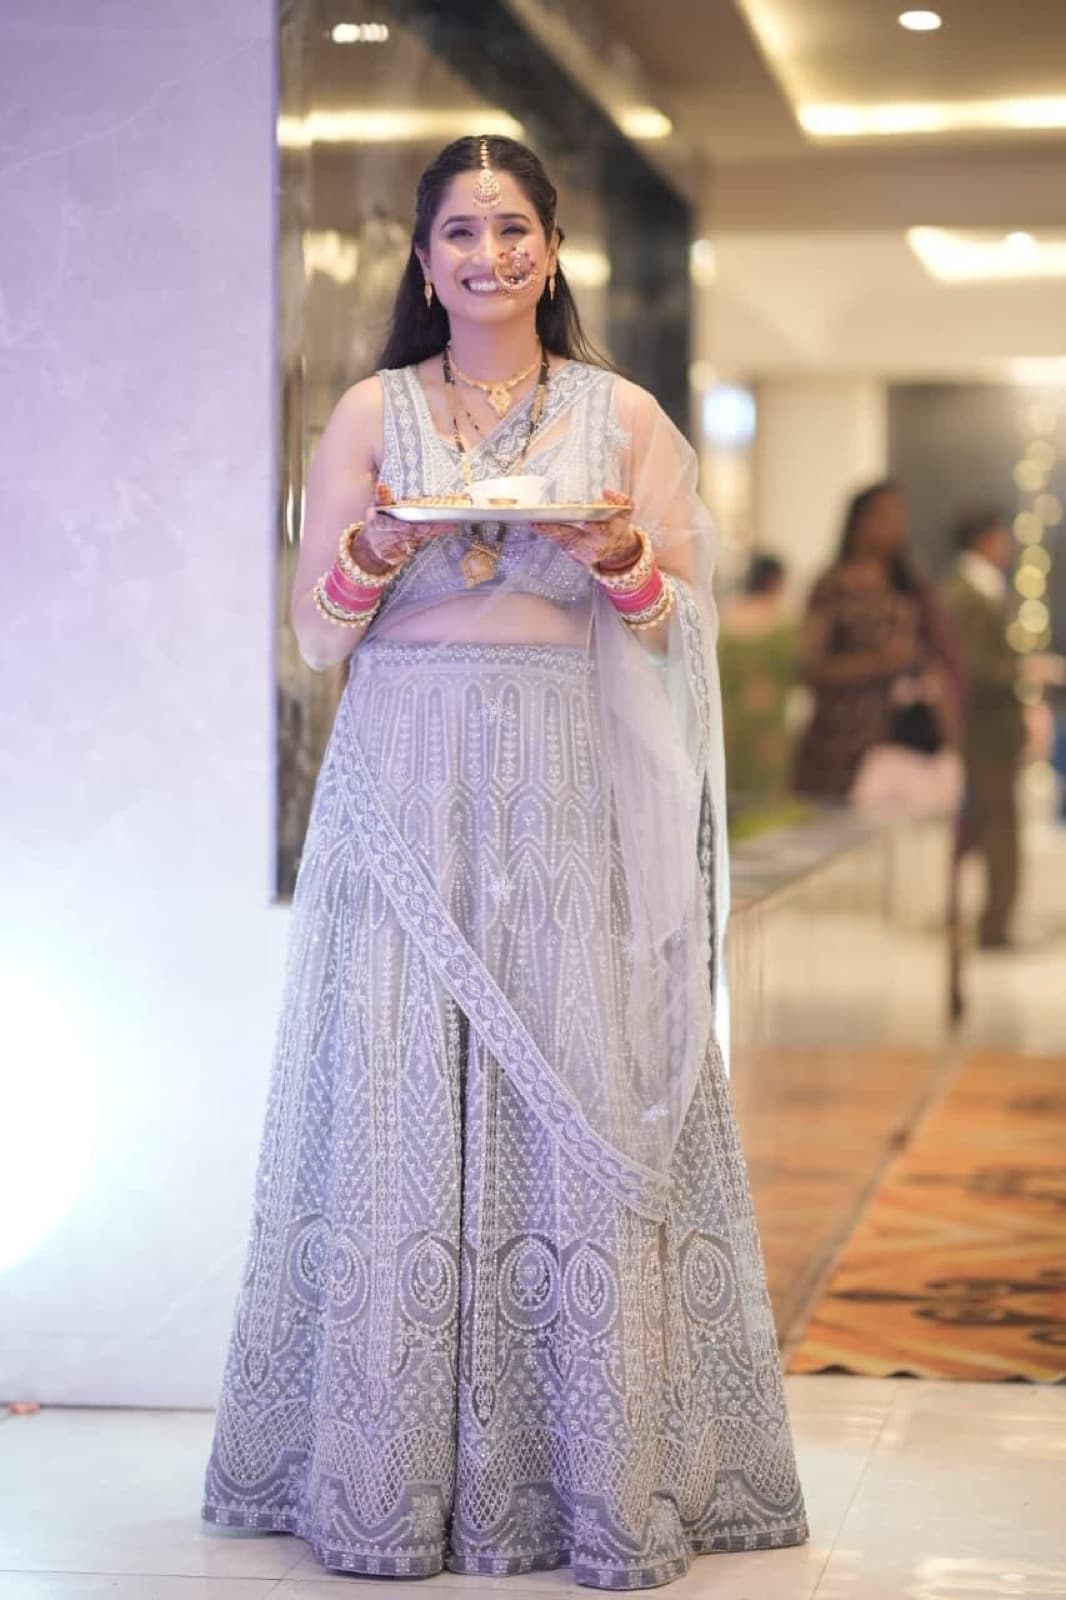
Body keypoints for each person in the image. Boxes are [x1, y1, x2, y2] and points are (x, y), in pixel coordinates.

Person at [199, 136, 807, 1585]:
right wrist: (369, 545)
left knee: (574, 1082)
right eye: (460, 232)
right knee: (397, 1089)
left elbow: (673, 626)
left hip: (559, 780)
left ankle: (590, 1479)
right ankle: (380, 1475)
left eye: (513, 228)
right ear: (423, 261)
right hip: (402, 772)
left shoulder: (621, 417)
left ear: (552, 249)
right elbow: (313, 634)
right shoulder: (372, 409)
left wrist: (612, 555)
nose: (488, 255)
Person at [793, 481, 962, 809]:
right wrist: (879, 662)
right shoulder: (833, 587)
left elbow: (938, 655)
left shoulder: (911, 586)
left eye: (899, 517)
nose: (893, 526)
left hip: (904, 739)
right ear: (859, 522)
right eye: (883, 516)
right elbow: (809, 666)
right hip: (841, 744)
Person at [944, 510, 1026, 948]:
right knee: (997, 828)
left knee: (988, 828)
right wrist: (1021, 670)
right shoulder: (967, 593)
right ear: (983, 539)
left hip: (989, 732)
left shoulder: (976, 590)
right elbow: (973, 668)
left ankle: (992, 921)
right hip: (984, 732)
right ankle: (994, 926)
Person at [718, 554, 799, 803]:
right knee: (764, 790)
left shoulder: (726, 617)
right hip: (767, 720)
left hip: (730, 718)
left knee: (733, 787)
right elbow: (794, 668)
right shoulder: (781, 622)